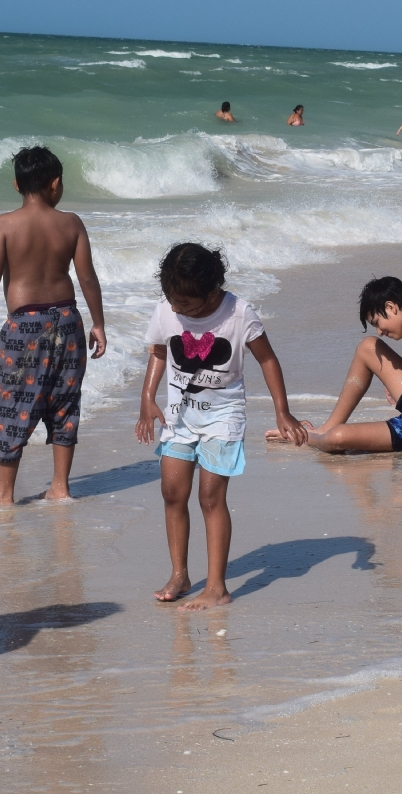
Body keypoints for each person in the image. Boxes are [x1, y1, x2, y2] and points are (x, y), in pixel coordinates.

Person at [136, 244, 306, 610]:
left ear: (211, 292)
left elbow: (268, 359)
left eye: (186, 305)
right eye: (172, 300)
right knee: (171, 492)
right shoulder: (167, 310)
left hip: (222, 417)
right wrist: (147, 397)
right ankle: (180, 573)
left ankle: (217, 587)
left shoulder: (239, 313)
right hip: (179, 417)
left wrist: (283, 412)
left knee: (210, 497)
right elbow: (160, 351)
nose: (178, 310)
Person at [0, 146, 106, 504]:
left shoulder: (4, 225)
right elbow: (87, 279)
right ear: (55, 183)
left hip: (24, 327)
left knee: (13, 404)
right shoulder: (71, 223)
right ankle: (60, 487)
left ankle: (4, 493)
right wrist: (99, 324)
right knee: (65, 403)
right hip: (67, 320)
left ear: (15, 184)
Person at [267, 276, 402, 456]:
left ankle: (308, 437)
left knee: (339, 438)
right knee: (368, 347)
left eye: (377, 322)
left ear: (391, 307)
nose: (379, 331)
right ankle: (325, 427)